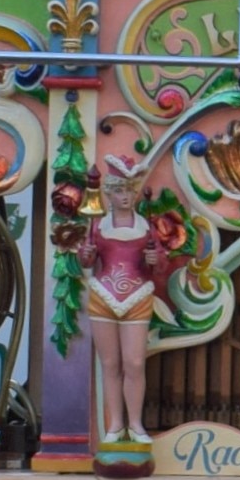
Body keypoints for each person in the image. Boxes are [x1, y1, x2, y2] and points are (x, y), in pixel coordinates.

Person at [77, 155, 163, 444]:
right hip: (104, 297)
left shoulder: (146, 227)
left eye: (129, 191)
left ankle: (136, 424)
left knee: (135, 362)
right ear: (109, 194)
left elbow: (158, 264)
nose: (126, 197)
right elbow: (86, 261)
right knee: (110, 363)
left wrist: (154, 259)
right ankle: (115, 424)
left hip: (137, 296)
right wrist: (86, 255)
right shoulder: (98, 227)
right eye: (119, 192)